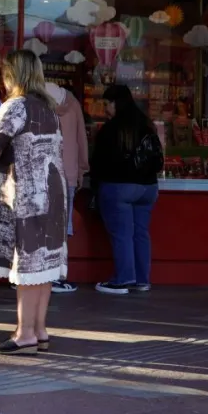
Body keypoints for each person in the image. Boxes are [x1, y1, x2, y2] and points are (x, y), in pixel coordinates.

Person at [0, 50, 67, 355]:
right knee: (45, 265)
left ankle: (24, 334)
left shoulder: (16, 105)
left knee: (27, 264)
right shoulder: (49, 106)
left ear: (12, 74)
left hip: (26, 192)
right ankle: (39, 329)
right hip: (54, 191)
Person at [91, 84, 161, 295]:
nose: (105, 109)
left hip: (119, 188)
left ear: (116, 103)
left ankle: (123, 279)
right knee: (140, 233)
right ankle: (142, 280)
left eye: (107, 104)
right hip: (148, 188)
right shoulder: (146, 124)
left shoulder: (111, 129)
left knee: (122, 234)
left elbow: (99, 163)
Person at [45, 82, 89, 294]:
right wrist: (82, 169)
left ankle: (37, 274)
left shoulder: (32, 100)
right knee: (60, 229)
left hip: (40, 173)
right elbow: (81, 138)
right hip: (67, 172)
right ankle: (58, 277)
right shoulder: (72, 103)